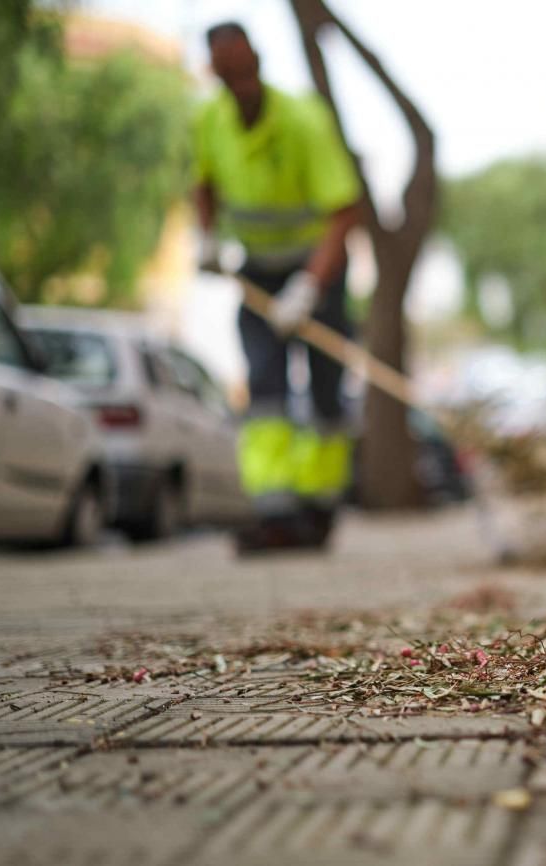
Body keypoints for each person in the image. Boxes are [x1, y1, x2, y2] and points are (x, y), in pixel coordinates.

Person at [192, 22, 362, 552]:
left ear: (258, 63)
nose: (239, 81)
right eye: (228, 73)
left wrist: (309, 289)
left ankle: (318, 509)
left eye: (245, 69)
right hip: (257, 275)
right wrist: (205, 238)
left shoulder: (304, 121)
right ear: (215, 72)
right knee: (265, 391)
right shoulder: (209, 122)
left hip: (318, 271)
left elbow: (343, 211)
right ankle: (275, 512)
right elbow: (203, 184)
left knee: (325, 395)